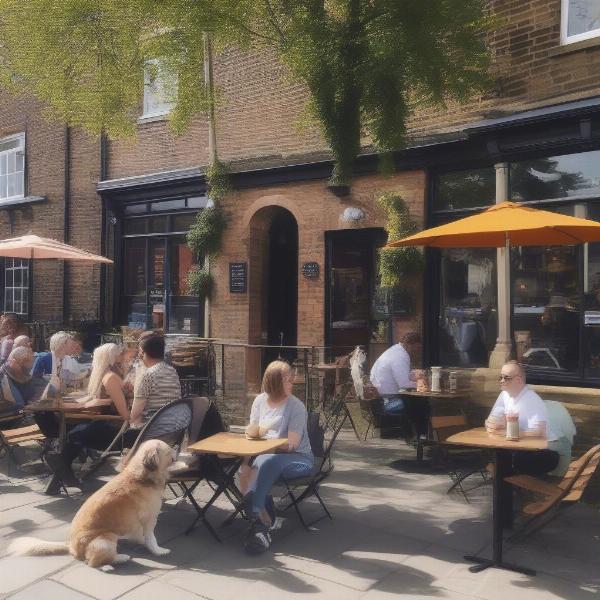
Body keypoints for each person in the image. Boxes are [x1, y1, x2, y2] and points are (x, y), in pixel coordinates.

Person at [240, 360, 314, 554]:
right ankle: (262, 522)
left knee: (262, 464)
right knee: (243, 470)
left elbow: (292, 444)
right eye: (289, 380)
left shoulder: (296, 406)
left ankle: (261, 523)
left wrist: (266, 446)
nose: (293, 383)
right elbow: (254, 431)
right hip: (266, 455)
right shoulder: (259, 401)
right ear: (274, 382)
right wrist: (246, 459)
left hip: (298, 458)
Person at [44, 343, 132, 494]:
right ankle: (63, 472)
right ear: (112, 358)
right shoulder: (111, 377)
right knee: (79, 432)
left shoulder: (107, 377)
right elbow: (124, 414)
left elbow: (124, 416)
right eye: (120, 354)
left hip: (117, 431)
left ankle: (60, 469)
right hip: (114, 427)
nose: (124, 357)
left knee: (77, 434)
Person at [486, 360, 561, 475]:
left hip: (545, 453)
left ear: (518, 380)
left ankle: (510, 488)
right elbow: (492, 419)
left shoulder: (531, 399)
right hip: (521, 449)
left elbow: (540, 432)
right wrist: (493, 424)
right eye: (500, 377)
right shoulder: (505, 394)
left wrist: (512, 433)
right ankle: (508, 488)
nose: (501, 381)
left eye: (506, 378)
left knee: (505, 459)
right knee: (495, 455)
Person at [369, 332, 429, 437]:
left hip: (382, 397)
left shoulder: (395, 351)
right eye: (417, 347)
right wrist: (424, 385)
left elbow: (401, 376)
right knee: (422, 405)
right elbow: (403, 384)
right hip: (387, 400)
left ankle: (420, 435)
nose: (418, 351)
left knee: (419, 402)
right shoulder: (400, 356)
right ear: (410, 344)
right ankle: (421, 436)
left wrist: (415, 375)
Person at [129, 333, 181, 429]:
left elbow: (135, 413)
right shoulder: (172, 371)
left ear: (143, 353)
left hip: (152, 428)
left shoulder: (148, 375)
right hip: (174, 426)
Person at [0, 346, 36, 417]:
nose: (27, 371)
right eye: (23, 368)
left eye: (29, 368)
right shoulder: (2, 377)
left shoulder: (26, 377)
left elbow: (31, 397)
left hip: (23, 416)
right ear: (13, 362)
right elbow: (17, 405)